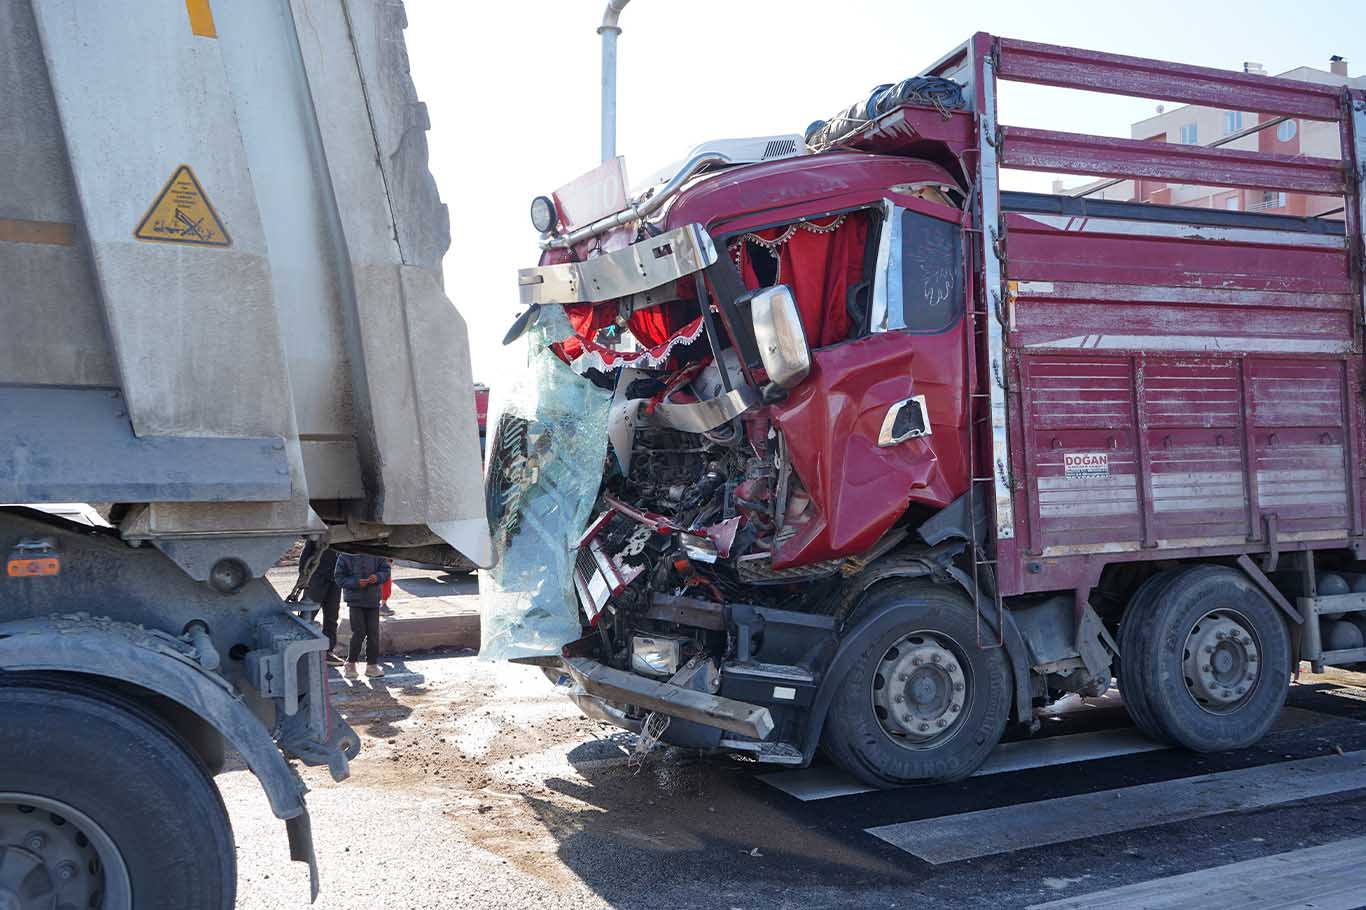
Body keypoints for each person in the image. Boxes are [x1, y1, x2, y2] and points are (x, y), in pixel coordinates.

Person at [334, 552, 391, 679]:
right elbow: (339, 578)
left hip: (373, 599)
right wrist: (356, 583)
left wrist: (377, 577)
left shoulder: (376, 553)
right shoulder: (346, 555)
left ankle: (372, 664)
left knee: (373, 633)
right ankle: (351, 663)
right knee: (358, 632)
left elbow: (386, 571)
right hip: (355, 601)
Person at [298, 540, 343, 665]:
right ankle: (301, 649)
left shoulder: (343, 535)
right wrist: (303, 574)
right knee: (308, 614)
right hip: (316, 577)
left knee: (332, 616)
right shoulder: (321, 532)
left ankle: (328, 652)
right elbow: (307, 551)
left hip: (335, 578)